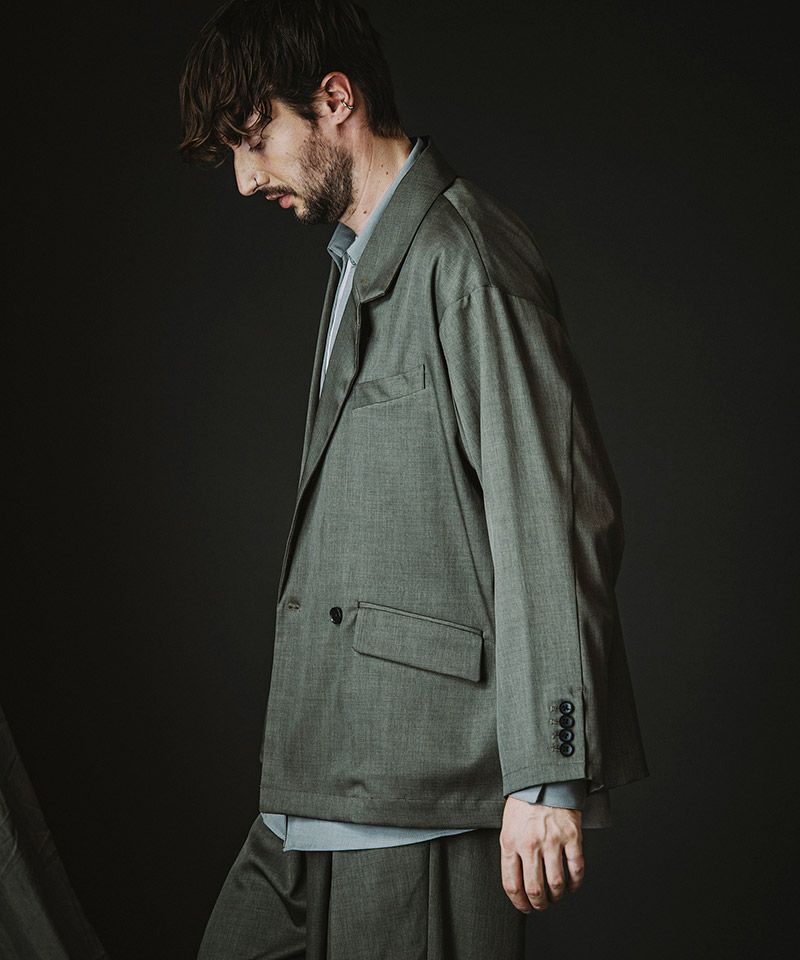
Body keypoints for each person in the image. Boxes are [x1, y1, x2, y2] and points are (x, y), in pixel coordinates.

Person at [178, 2, 649, 957]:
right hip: (317, 781)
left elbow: (551, 511)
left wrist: (545, 776)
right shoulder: (357, 261)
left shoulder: (466, 259)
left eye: (253, 138)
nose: (244, 177)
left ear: (334, 100)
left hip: (422, 798)